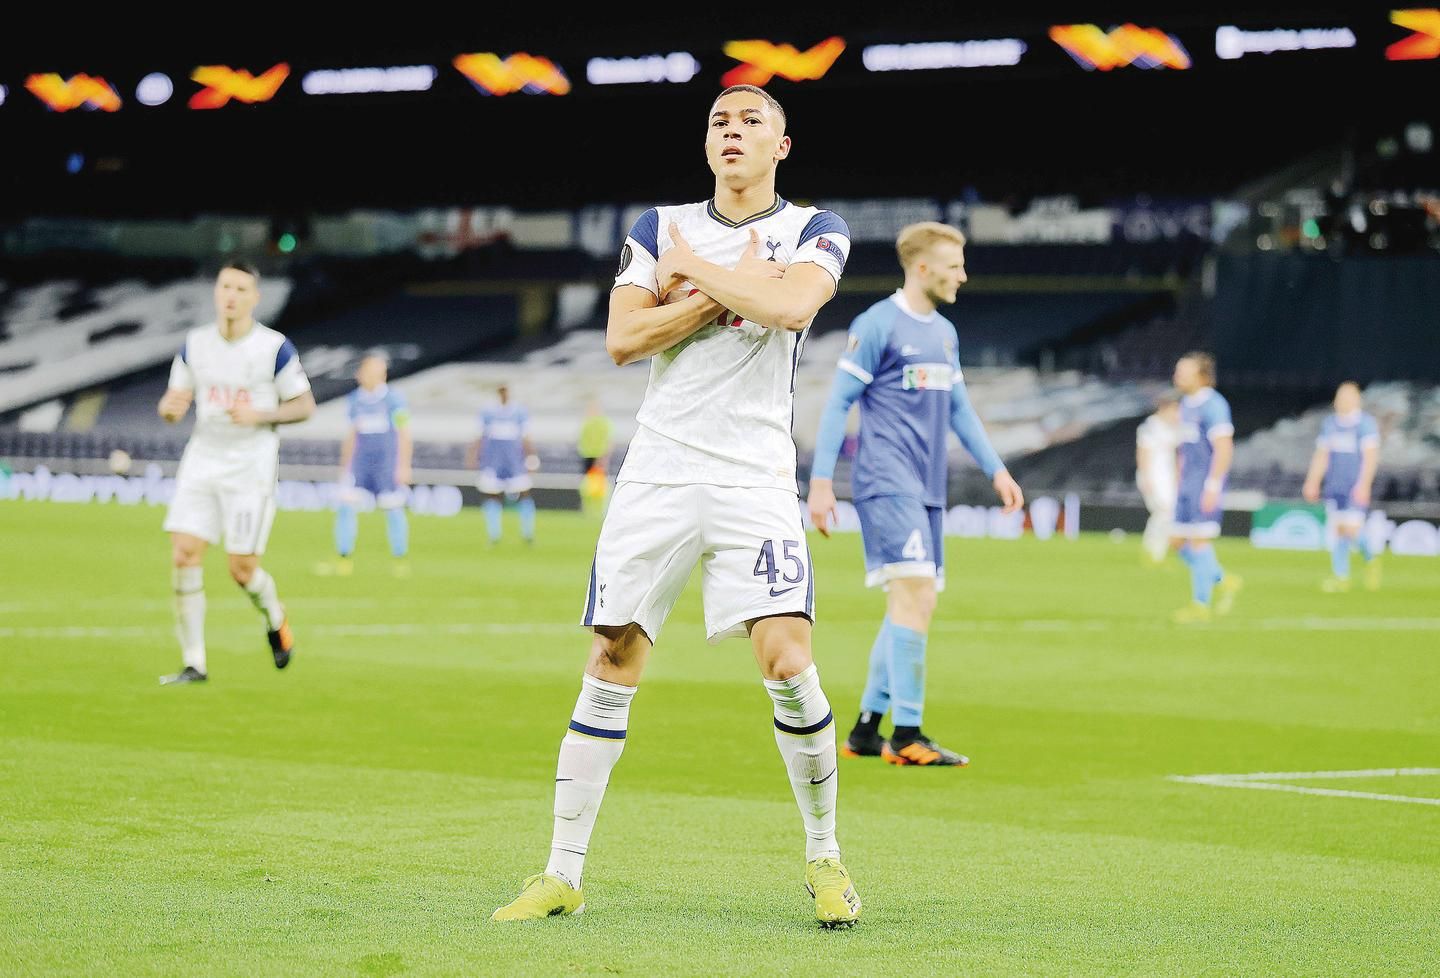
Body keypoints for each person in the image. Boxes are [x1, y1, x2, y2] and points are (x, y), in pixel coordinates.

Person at [492, 85, 860, 927]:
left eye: (751, 122)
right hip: (657, 472)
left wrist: (688, 278)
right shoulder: (657, 226)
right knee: (613, 656)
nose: (732, 132)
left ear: (783, 146)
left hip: (754, 476)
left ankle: (826, 856)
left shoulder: (814, 228)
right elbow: (624, 339)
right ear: (705, 146)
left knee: (786, 659)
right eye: (719, 123)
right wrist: (723, 288)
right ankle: (562, 873)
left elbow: (793, 306)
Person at [806, 221, 1024, 768]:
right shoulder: (877, 324)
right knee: (917, 597)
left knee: (909, 604)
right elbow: (837, 405)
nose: (963, 276)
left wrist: (997, 469)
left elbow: (959, 410)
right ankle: (907, 734)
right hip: (886, 480)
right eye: (954, 267)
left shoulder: (944, 334)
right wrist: (821, 481)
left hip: (928, 488)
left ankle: (864, 731)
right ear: (922, 268)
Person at [157, 260, 314, 684]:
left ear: (255, 298)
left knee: (241, 570)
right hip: (202, 459)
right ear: (216, 292)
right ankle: (194, 662)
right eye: (226, 286)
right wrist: (169, 410)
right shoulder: (195, 344)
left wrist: (260, 414)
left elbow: (304, 405)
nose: (231, 295)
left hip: (250, 467)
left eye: (241, 289)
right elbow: (176, 399)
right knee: (184, 554)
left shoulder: (273, 347)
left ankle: (276, 619)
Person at [323, 354, 412, 577]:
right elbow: (352, 435)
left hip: (386, 465)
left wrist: (403, 465)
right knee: (345, 507)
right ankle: (344, 559)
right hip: (360, 466)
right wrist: (345, 468)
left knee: (394, 510)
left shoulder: (394, 400)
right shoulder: (355, 400)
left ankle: (399, 560)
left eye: (363, 371)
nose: (358, 375)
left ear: (378, 373)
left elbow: (404, 433)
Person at [1170, 353, 1242, 623]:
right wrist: (1179, 478)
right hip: (1187, 485)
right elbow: (1184, 449)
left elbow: (1224, 447)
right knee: (1176, 542)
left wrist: (1213, 485)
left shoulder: (1214, 405)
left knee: (1199, 541)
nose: (1177, 376)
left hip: (1204, 484)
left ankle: (1200, 605)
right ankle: (1223, 579)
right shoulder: (1186, 405)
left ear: (1201, 376)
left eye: (1183, 372)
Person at [1302, 381, 1382, 592]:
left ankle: (1371, 559)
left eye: (1346, 396)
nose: (1341, 401)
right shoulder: (1330, 424)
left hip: (1354, 485)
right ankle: (1341, 577)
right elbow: (1322, 455)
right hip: (1334, 485)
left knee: (1352, 529)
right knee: (1338, 531)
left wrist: (1364, 484)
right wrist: (1312, 481)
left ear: (1356, 399)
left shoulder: (1365, 424)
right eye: (1339, 396)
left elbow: (1371, 457)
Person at [466, 385, 538, 545]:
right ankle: (494, 535)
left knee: (524, 494)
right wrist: (472, 456)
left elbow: (527, 437)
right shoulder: (487, 412)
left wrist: (532, 457)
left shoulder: (519, 412)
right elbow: (479, 436)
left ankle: (528, 533)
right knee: (492, 495)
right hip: (493, 462)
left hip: (515, 462)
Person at [1136, 394, 1181, 566]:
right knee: (1164, 512)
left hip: (1167, 478)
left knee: (1167, 514)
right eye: (1175, 410)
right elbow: (1143, 453)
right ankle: (1153, 550)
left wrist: (1177, 476)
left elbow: (1175, 455)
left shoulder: (1173, 428)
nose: (1177, 414)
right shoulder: (1150, 426)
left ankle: (1156, 551)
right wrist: (1146, 477)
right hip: (1153, 476)